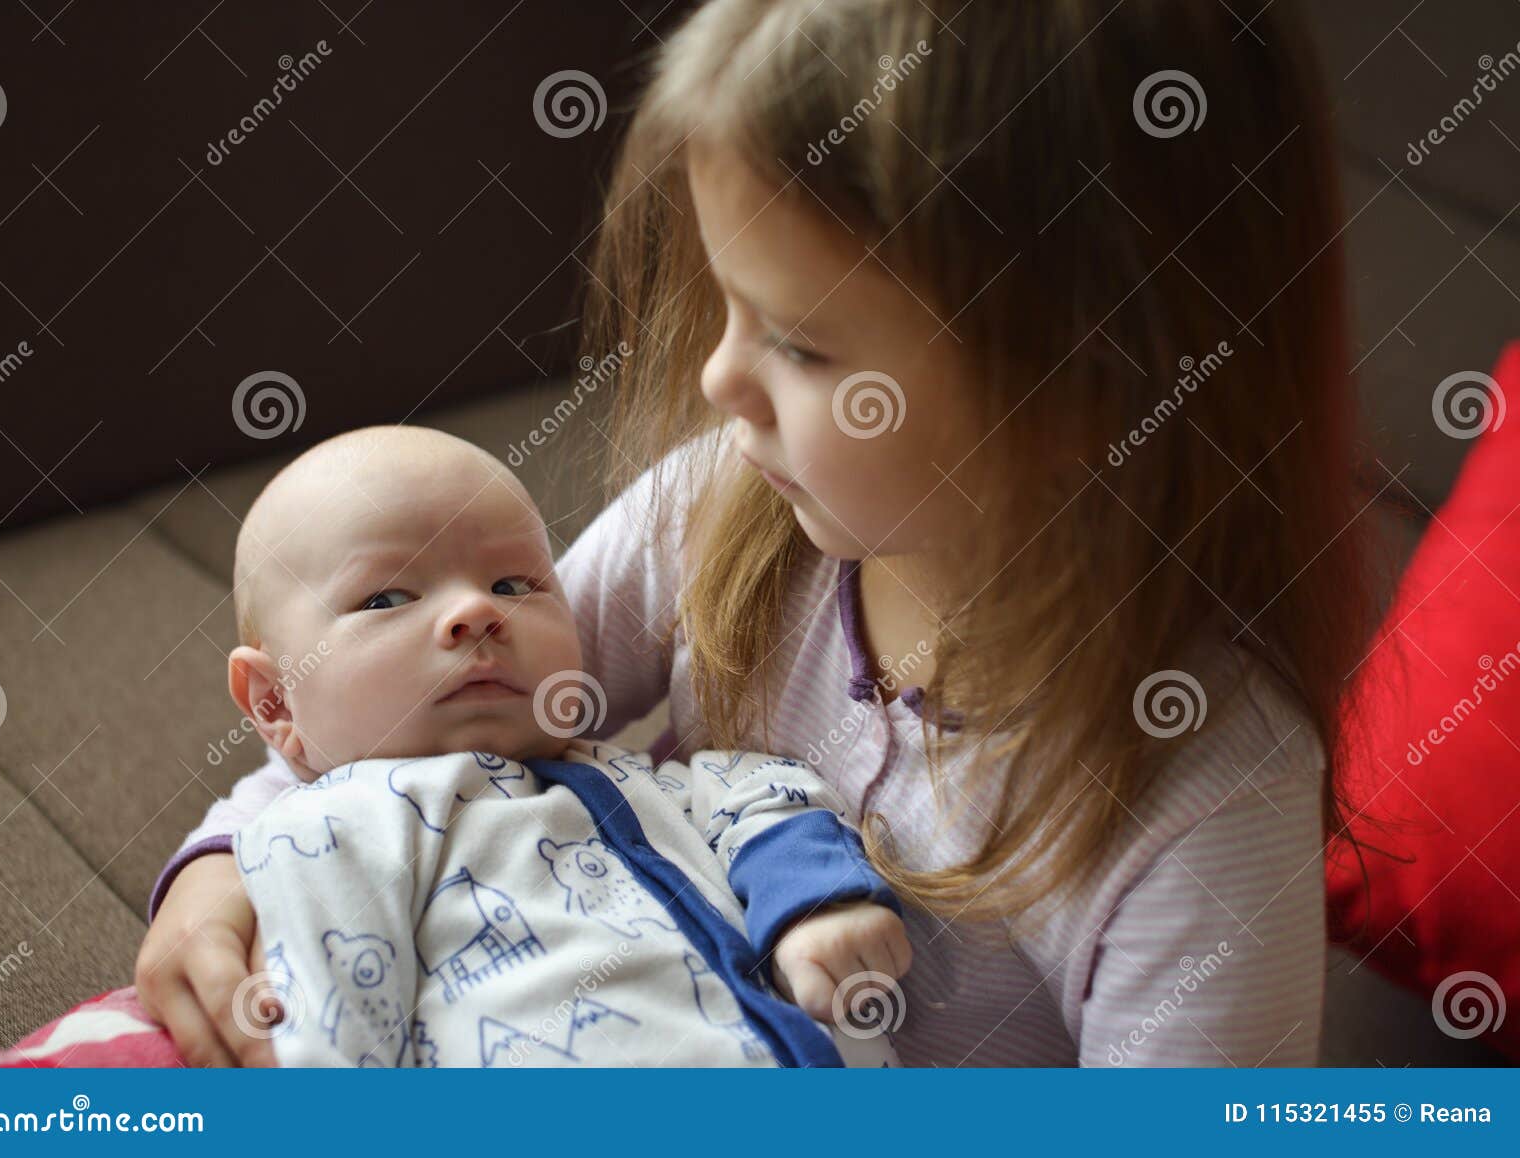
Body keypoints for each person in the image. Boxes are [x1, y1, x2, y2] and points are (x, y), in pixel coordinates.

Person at [139, 0, 1378, 1067]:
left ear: (1081, 388)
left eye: (798, 341)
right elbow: (441, 714)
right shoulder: (722, 510)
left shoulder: (1202, 797)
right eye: (730, 304)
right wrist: (218, 865)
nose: (722, 381)